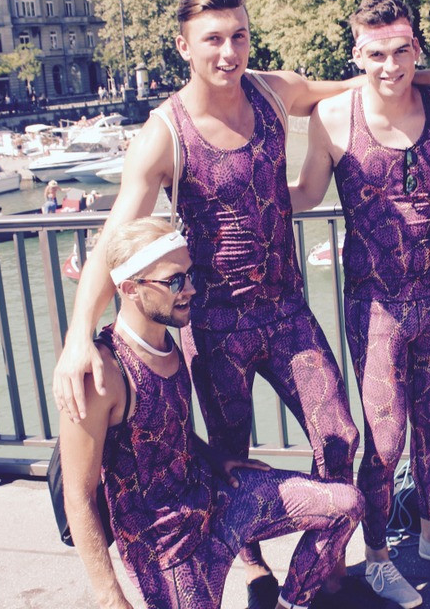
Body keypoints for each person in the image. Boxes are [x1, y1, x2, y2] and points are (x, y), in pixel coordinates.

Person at [52, 0, 430, 601]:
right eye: (213, 39)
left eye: (239, 35)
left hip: (287, 310)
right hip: (214, 324)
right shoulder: (165, 133)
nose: (228, 52)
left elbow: (361, 83)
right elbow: (117, 237)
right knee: (229, 451)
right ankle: (249, 564)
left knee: (341, 438)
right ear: (183, 47)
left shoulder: (273, 92)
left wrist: (426, 72)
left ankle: (316, 573)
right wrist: (78, 338)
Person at [289, 0, 430, 608]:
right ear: (357, 54)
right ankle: (376, 557)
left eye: (403, 50)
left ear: (416, 50)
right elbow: (303, 196)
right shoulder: (331, 118)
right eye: (376, 52)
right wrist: (231, 189)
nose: (390, 64)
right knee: (385, 438)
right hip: (374, 302)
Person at [60, 216, 364, 609]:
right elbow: (78, 497)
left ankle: (290, 603)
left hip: (217, 500)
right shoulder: (102, 374)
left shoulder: (170, 341)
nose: (189, 289)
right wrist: (110, 600)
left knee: (346, 504)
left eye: (189, 276)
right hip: (168, 551)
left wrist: (216, 458)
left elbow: (168, 430)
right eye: (174, 281)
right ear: (130, 289)